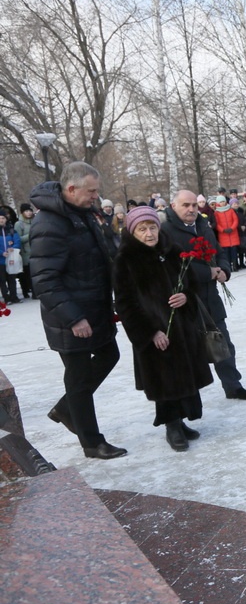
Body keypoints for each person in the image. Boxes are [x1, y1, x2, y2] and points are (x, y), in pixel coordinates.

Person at [30, 162, 126, 459]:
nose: (96, 196)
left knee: (110, 354)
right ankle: (92, 442)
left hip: (95, 307)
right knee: (78, 377)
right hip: (71, 317)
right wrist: (73, 317)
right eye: (92, 191)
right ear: (71, 189)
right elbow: (45, 279)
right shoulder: (49, 223)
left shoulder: (82, 214)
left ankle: (66, 408)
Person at [113, 206, 211, 451]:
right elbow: (125, 304)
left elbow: (192, 283)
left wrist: (185, 297)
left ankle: (182, 420)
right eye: (142, 229)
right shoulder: (126, 259)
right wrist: (149, 333)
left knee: (182, 375)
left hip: (181, 328)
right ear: (132, 232)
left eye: (152, 227)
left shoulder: (172, 250)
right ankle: (172, 425)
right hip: (155, 331)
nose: (149, 234)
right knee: (164, 379)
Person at [161, 190, 246, 401]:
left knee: (223, 343)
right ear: (173, 205)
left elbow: (218, 251)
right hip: (186, 300)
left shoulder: (203, 224)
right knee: (190, 350)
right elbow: (172, 267)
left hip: (210, 296)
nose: (191, 209)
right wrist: (208, 272)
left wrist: (224, 270)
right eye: (186, 205)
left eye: (194, 205)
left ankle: (233, 385)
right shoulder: (166, 231)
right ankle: (188, 397)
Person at [212, 195, 240, 269]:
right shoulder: (216, 212)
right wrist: (223, 230)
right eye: (221, 202)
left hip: (233, 233)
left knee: (234, 251)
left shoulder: (230, 210)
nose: (223, 203)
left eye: (223, 201)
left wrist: (232, 228)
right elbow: (217, 223)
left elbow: (235, 220)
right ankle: (228, 266)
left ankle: (235, 265)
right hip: (223, 235)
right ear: (218, 203)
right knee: (226, 252)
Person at [0, 212, 22, 304]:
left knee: (11, 278)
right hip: (1, 260)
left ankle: (14, 297)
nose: (1, 220)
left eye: (3, 218)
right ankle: (6, 297)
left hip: (10, 258)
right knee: (2, 279)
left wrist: (13, 248)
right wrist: (1, 253)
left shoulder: (11, 230)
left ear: (6, 219)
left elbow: (17, 241)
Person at [13, 203, 34, 299]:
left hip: (36, 251)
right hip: (25, 253)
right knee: (27, 274)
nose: (29, 213)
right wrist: (31, 235)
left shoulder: (35, 221)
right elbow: (18, 239)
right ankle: (27, 291)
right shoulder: (19, 224)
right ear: (22, 212)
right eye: (26, 211)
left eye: (30, 210)